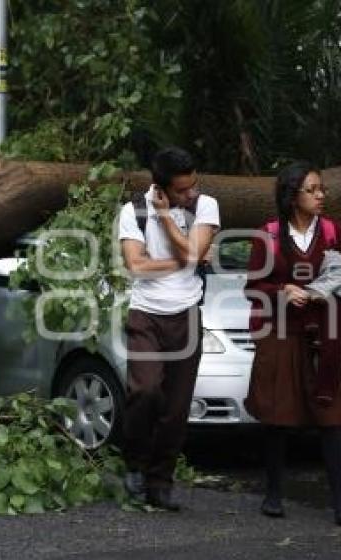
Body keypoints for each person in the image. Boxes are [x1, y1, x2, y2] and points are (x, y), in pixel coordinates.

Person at [243, 160, 341, 527]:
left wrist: (322, 290)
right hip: (279, 334)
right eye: (312, 190)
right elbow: (253, 287)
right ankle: (274, 495)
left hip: (323, 336)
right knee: (277, 416)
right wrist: (283, 290)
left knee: (331, 418)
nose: (320, 195)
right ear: (292, 196)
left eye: (321, 189)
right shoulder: (267, 234)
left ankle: (340, 503)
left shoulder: (332, 233)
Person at [117, 146, 220, 510]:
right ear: (160, 188)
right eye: (181, 190)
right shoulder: (134, 211)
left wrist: (167, 220)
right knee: (144, 392)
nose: (190, 193)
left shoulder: (206, 205)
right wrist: (186, 255)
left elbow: (193, 255)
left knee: (176, 408)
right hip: (146, 312)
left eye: (193, 185)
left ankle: (160, 481)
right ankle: (134, 463)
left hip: (187, 313)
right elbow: (136, 266)